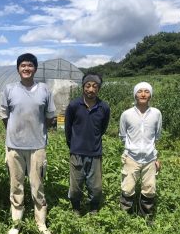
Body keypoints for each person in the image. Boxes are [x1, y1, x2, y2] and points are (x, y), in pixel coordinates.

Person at [1, 53, 56, 234]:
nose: (26, 68)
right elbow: (5, 117)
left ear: (35, 68)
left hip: (37, 146)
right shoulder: (9, 89)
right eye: (23, 65)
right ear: (18, 69)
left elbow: (50, 118)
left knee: (37, 186)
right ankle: (16, 224)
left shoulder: (44, 90)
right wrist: (16, 134)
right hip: (14, 147)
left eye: (30, 65)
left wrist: (36, 132)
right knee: (16, 186)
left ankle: (41, 223)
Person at [64, 72, 110, 215]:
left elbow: (103, 128)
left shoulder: (104, 107)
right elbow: (68, 128)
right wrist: (73, 145)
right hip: (77, 151)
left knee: (95, 186)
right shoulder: (74, 105)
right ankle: (76, 208)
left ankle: (94, 208)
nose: (91, 89)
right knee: (76, 185)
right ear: (83, 87)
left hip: (95, 152)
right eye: (88, 86)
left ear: (99, 89)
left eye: (95, 86)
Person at [119, 82, 162, 217]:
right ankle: (125, 217)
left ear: (150, 95)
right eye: (140, 91)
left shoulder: (156, 113)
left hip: (150, 158)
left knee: (149, 189)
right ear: (135, 94)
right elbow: (122, 135)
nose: (143, 94)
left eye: (146, 91)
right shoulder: (126, 114)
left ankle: (146, 217)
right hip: (131, 157)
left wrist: (156, 157)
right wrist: (129, 150)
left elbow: (157, 136)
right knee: (127, 188)